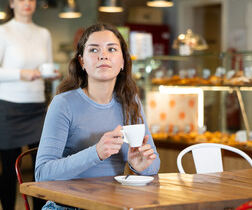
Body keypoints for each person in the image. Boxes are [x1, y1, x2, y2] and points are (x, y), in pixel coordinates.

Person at [35, 22, 160, 209]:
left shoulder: (131, 101)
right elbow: (42, 173)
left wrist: (139, 166)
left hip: (115, 204)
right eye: (94, 50)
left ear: (123, 61)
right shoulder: (63, 103)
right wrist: (96, 153)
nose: (103, 55)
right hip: (68, 206)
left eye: (111, 49)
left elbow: (153, 163)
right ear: (82, 62)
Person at [0, 0, 57, 210]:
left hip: (37, 109)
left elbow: (49, 70)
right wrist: (22, 74)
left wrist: (53, 80)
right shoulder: (2, 31)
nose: (27, 3)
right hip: (9, 109)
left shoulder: (44, 33)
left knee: (40, 170)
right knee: (8, 170)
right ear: (12, 2)